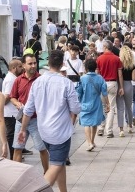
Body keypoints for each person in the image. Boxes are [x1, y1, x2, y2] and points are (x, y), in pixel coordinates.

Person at [18, 50, 81, 192]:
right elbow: (76, 108)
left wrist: (22, 129)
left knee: (59, 162)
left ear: (48, 63)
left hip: (44, 131)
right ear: (62, 64)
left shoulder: (37, 82)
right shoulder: (66, 83)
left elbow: (28, 110)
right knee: (57, 165)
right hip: (60, 133)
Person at [9, 54, 49, 173]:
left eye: (35, 63)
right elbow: (12, 97)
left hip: (36, 120)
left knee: (42, 148)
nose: (33, 66)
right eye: (30, 63)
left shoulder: (41, 79)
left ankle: (47, 174)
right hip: (21, 120)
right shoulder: (18, 80)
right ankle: (16, 176)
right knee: (17, 148)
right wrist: (17, 104)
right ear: (24, 66)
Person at [77, 59, 109, 151]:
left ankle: (89, 143)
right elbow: (104, 92)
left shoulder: (83, 78)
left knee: (86, 123)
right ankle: (92, 140)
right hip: (96, 103)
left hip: (85, 103)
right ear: (95, 68)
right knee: (94, 123)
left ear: (86, 68)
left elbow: (78, 92)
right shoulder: (100, 78)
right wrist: (108, 104)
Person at [96, 40, 124, 138]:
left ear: (105, 47)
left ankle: (101, 128)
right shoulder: (117, 59)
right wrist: (121, 87)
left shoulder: (99, 58)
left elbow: (97, 74)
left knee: (103, 107)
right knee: (111, 108)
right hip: (113, 83)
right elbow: (120, 74)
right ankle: (109, 131)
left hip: (102, 83)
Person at [2, 58, 24, 159]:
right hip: (10, 113)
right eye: (20, 66)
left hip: (11, 112)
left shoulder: (12, 78)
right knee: (11, 134)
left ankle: (15, 153)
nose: (22, 68)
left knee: (13, 133)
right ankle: (12, 155)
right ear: (14, 68)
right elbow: (7, 96)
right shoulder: (11, 79)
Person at [116, 46, 135, 135]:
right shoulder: (132, 65)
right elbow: (134, 78)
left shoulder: (118, 62)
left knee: (120, 108)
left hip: (119, 85)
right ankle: (130, 126)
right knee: (129, 107)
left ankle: (121, 129)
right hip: (128, 84)